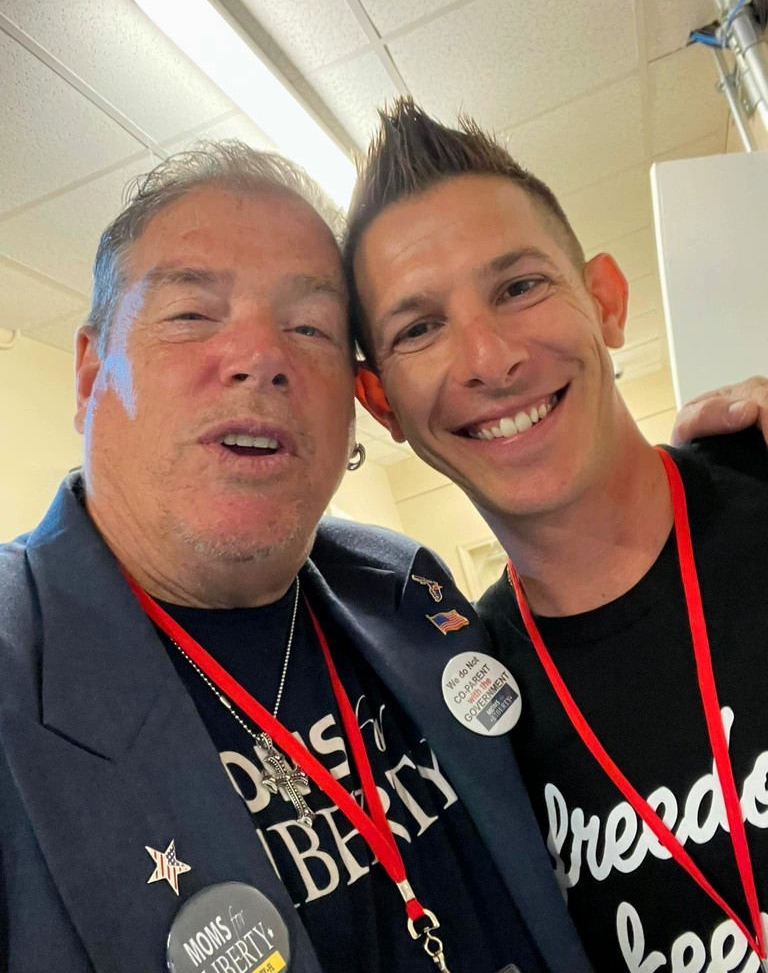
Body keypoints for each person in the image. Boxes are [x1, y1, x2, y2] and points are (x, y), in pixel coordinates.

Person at [0, 142, 596, 973]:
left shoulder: (408, 588)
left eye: (310, 327)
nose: (261, 358)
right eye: (192, 314)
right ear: (91, 374)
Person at [346, 100, 768, 973]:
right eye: (419, 328)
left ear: (604, 301)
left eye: (518, 287)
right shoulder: (459, 712)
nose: (490, 359)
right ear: (381, 402)